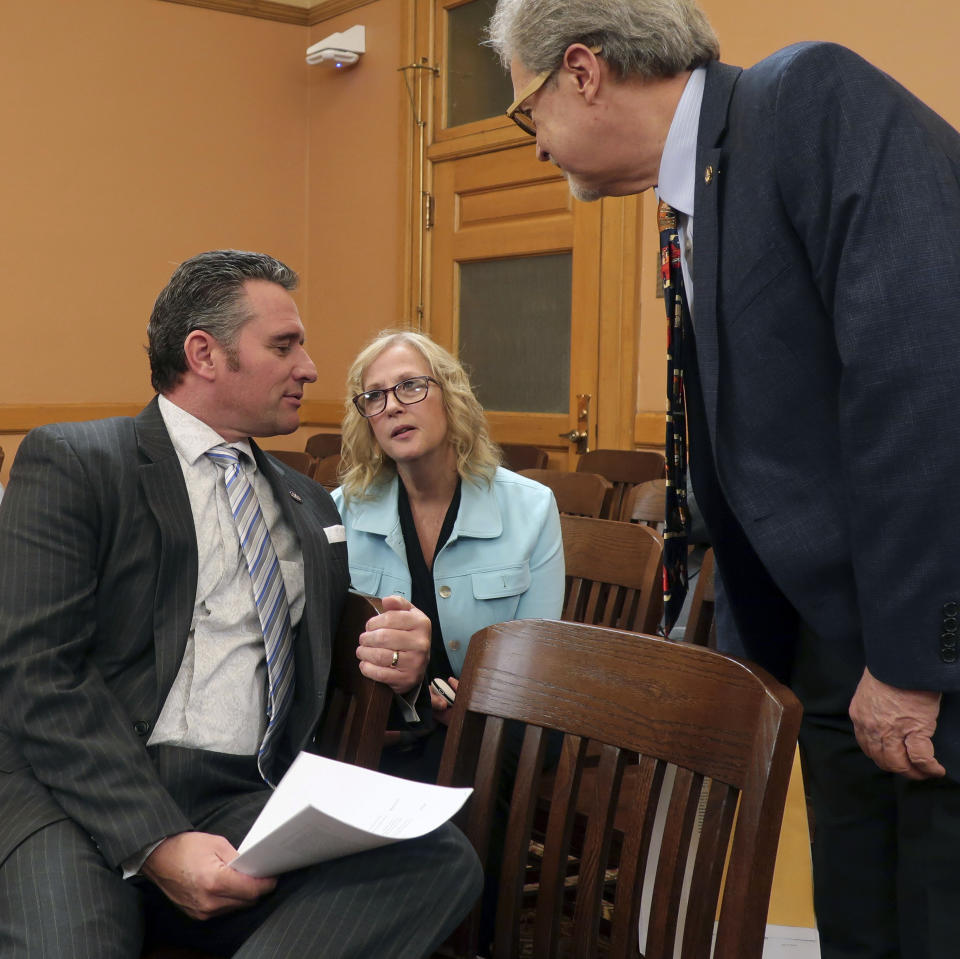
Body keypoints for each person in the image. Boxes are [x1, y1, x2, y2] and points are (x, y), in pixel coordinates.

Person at [487, 2, 960, 957]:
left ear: (582, 71)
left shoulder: (808, 97)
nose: (533, 144)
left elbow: (925, 380)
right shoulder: (698, 192)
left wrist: (914, 663)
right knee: (863, 927)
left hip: (919, 639)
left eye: (523, 110)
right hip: (837, 642)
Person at [0, 250, 481, 958]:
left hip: (242, 792)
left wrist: (401, 656)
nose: (312, 368)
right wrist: (157, 841)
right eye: (284, 346)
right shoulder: (77, 463)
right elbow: (37, 673)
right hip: (78, 788)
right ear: (204, 353)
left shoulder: (307, 501)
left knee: (440, 860)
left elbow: (327, 632)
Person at [331, 329, 564, 783]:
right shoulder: (341, 511)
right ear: (367, 422)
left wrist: (471, 704)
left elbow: (536, 662)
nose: (393, 405)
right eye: (374, 397)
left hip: (501, 721)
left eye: (411, 386)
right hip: (390, 720)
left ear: (450, 396)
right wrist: (413, 695)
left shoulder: (532, 507)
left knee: (460, 765)